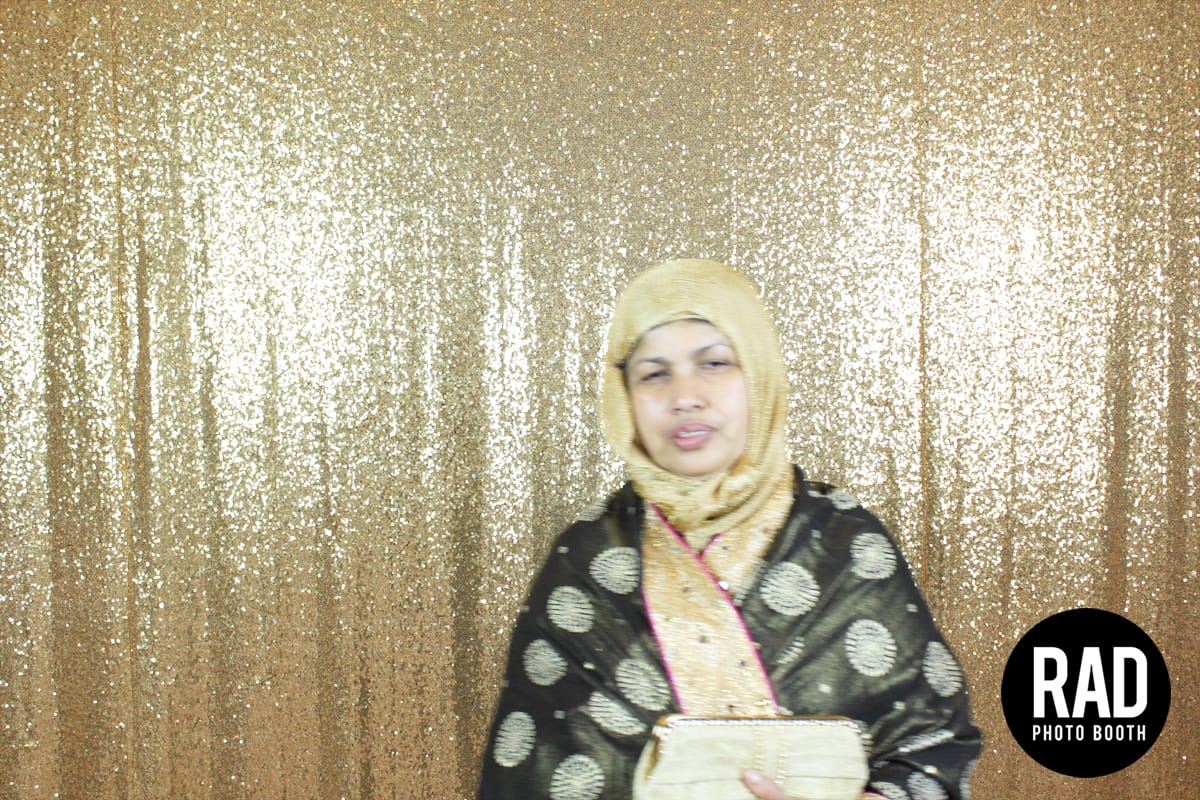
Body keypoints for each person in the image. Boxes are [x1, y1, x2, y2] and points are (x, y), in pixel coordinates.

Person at [477, 259, 981, 800]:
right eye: (654, 374)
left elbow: (933, 744)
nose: (685, 396)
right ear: (624, 395)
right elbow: (530, 772)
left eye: (714, 363)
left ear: (759, 374)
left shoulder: (846, 543)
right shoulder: (586, 558)